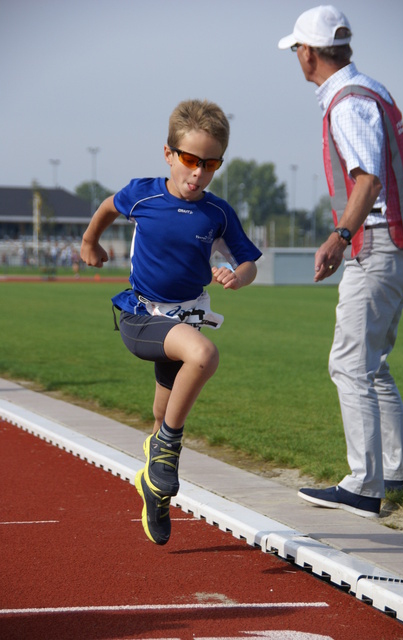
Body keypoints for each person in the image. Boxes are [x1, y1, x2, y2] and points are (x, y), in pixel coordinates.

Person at [80, 99, 262, 544]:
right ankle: (167, 451)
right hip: (141, 316)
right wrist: (90, 241)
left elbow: (249, 261)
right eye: (189, 160)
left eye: (210, 163)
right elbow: (108, 206)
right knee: (204, 355)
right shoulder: (143, 194)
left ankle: (154, 488)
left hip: (185, 318)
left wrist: (236, 277)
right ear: (169, 154)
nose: (198, 173)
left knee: (163, 411)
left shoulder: (217, 213)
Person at [278, 6, 403, 518]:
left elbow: (368, 181)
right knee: (371, 364)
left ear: (310, 53)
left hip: (380, 243)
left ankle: (364, 486)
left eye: (297, 48)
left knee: (348, 363)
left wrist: (340, 236)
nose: (297, 56)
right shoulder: (373, 89)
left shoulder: (346, 104)